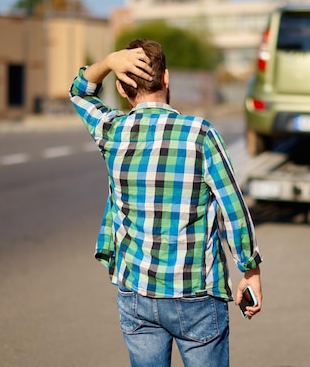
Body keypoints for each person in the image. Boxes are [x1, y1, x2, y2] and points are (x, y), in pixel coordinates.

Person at [68, 39, 263, 367]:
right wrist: (250, 269)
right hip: (196, 295)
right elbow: (233, 208)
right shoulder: (200, 134)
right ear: (167, 79)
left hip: (137, 292)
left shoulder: (112, 130)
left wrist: (107, 62)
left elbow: (79, 93)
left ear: (121, 86)